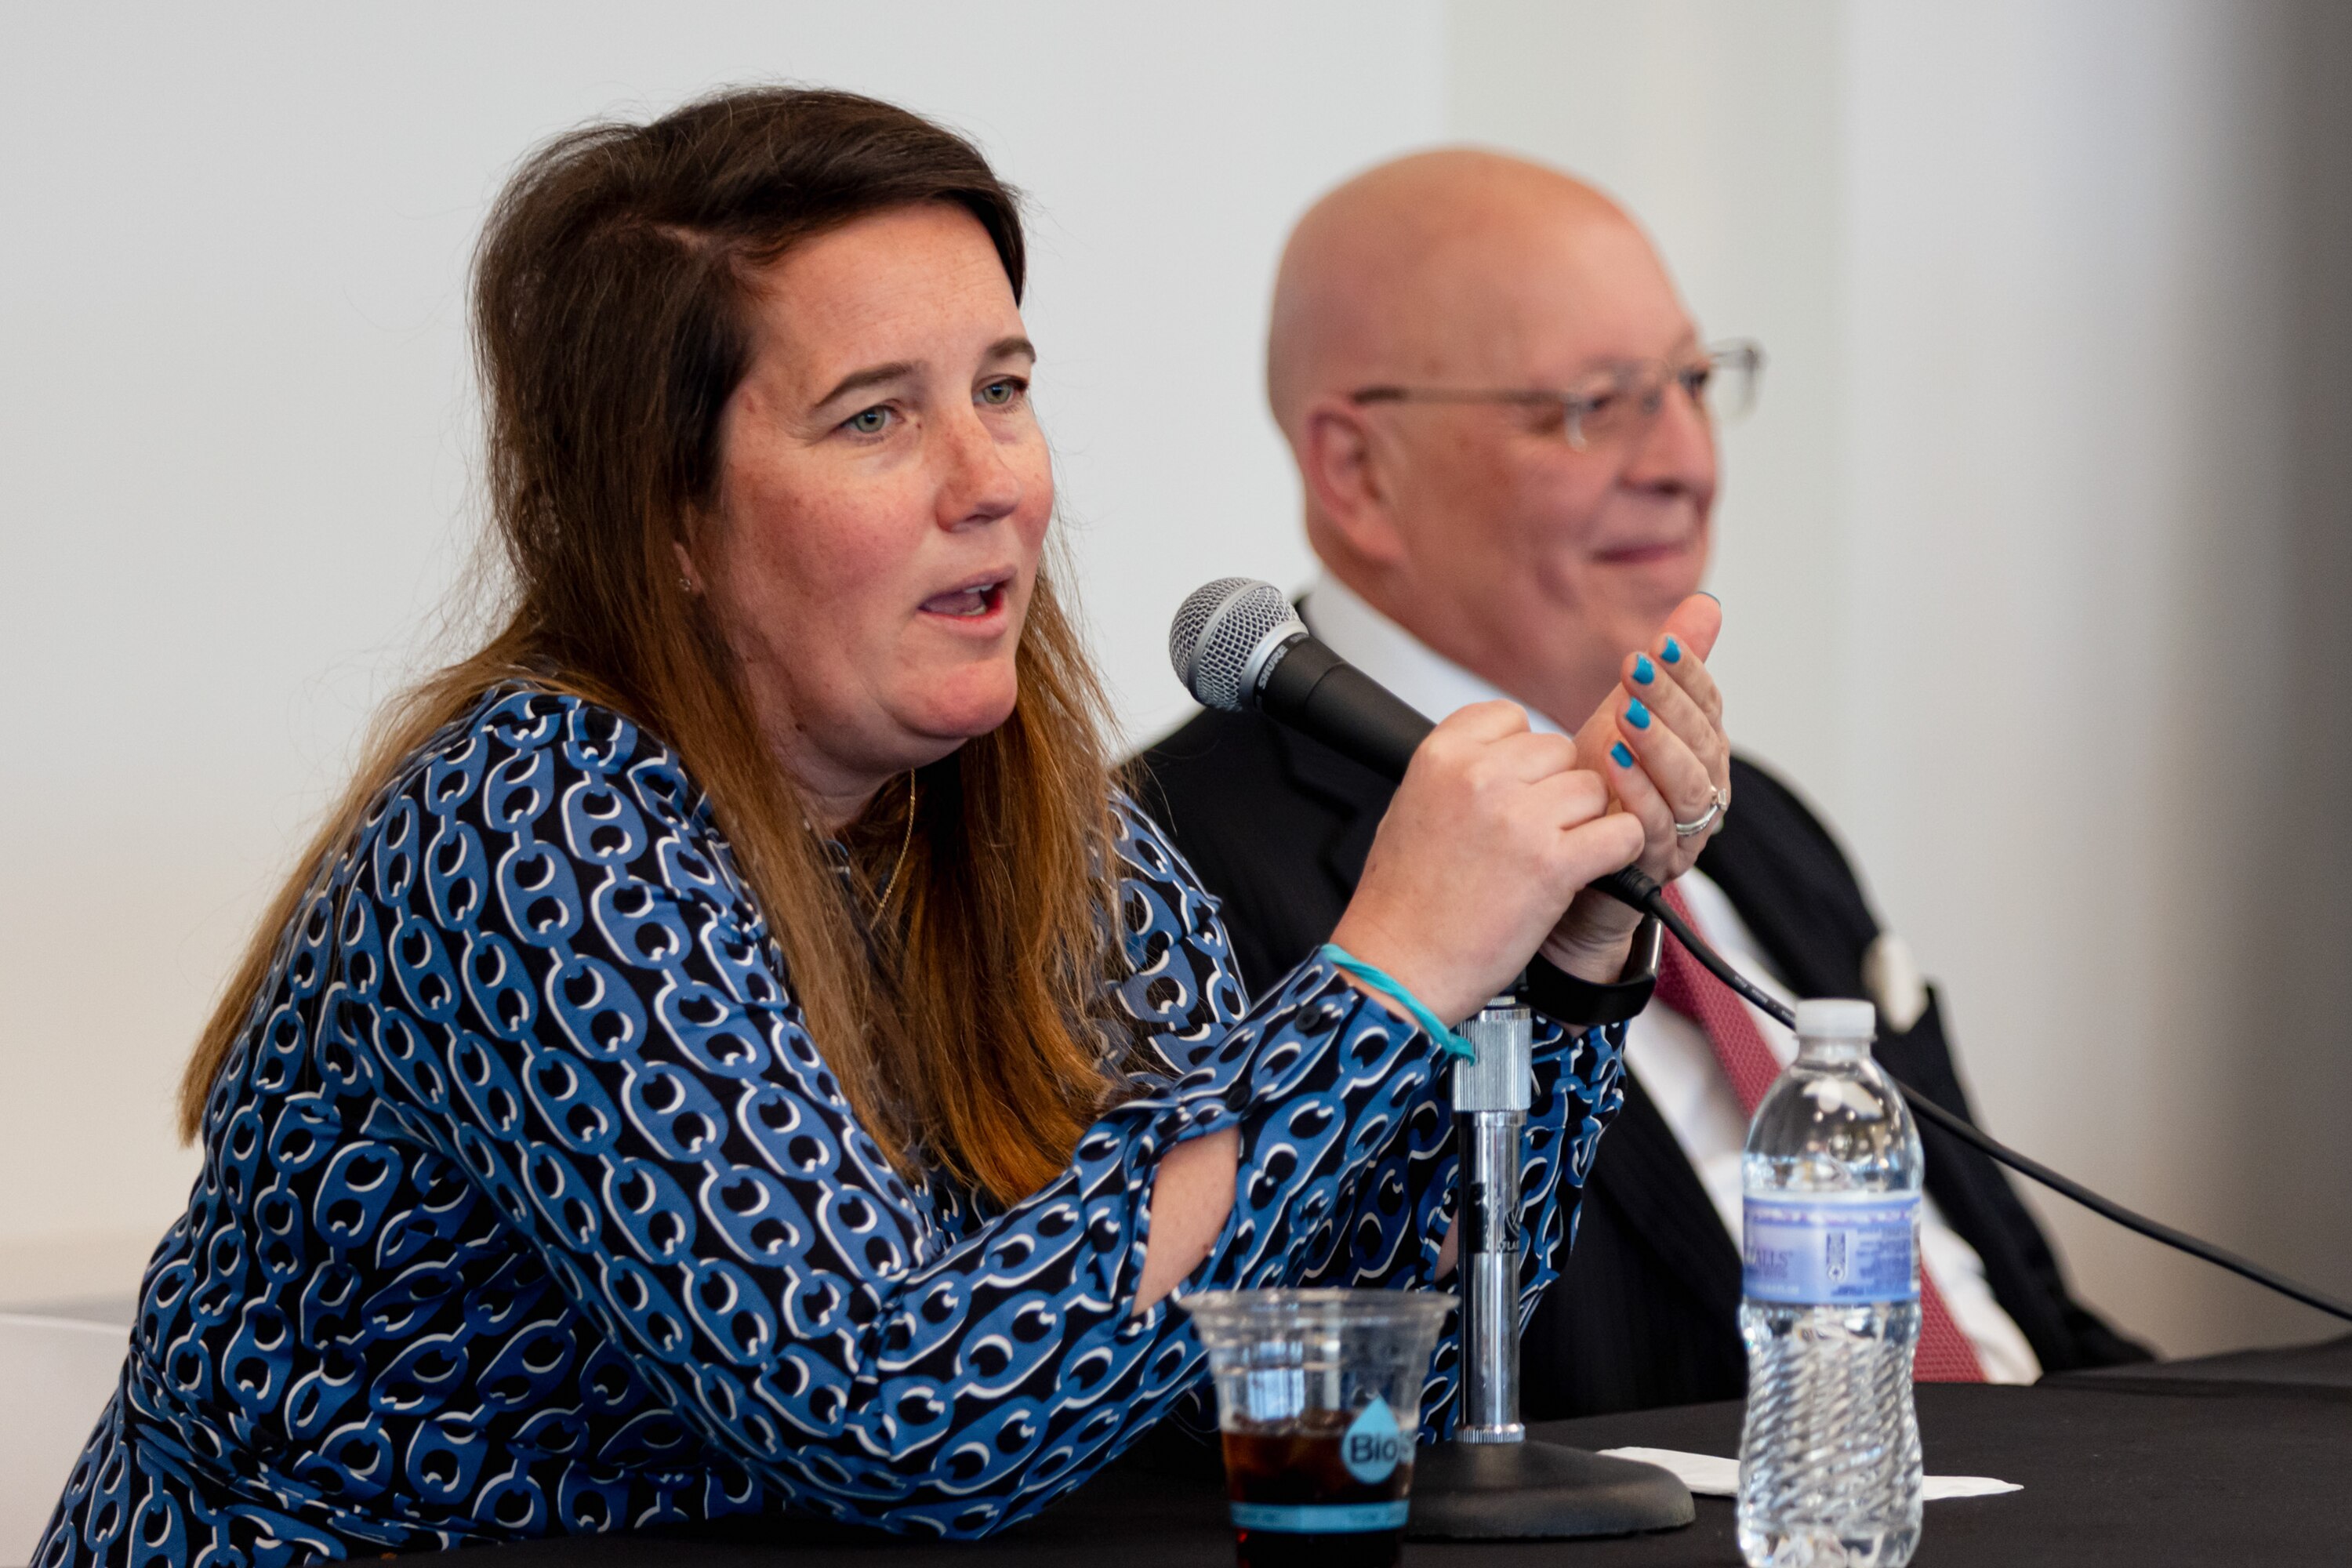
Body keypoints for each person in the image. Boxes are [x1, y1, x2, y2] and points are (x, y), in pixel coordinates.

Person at [38, 93, 1734, 1563]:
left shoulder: (1063, 845)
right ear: (668, 518)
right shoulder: (536, 826)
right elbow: (906, 1415)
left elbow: (1317, 1397)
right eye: (876, 416)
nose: (988, 477)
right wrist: (1389, 971)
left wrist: (1573, 956)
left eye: (1003, 387)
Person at [1140, 150, 2148, 1419]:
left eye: (1692, 385)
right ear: (1357, 472)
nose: (1686, 461)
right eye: (1596, 404)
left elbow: (2029, 1313)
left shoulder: (1759, 822)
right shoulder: (1162, 871)